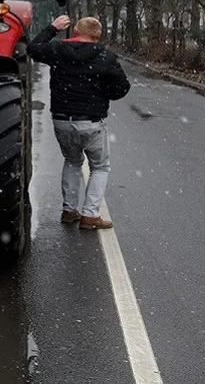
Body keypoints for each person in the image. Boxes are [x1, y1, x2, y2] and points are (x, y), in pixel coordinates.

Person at [27, 15, 131, 230]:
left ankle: (69, 210)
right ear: (98, 35)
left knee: (72, 161)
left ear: (75, 31)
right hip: (91, 121)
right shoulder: (106, 57)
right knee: (100, 167)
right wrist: (103, 93)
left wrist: (52, 28)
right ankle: (90, 215)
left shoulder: (58, 50)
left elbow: (33, 48)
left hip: (62, 119)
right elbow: (121, 89)